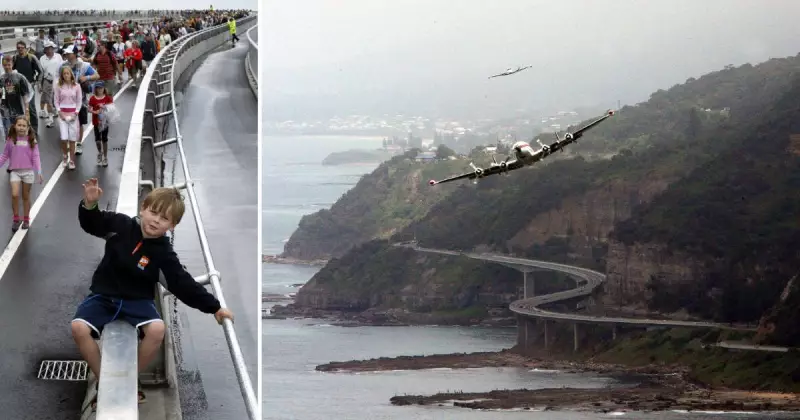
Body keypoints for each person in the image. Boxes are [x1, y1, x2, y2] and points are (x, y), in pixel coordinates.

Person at [72, 180, 235, 409]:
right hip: (104, 295)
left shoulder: (163, 254)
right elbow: (93, 224)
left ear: (173, 225)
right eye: (153, 212)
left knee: (157, 329)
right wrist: (89, 205)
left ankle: (131, 378)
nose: (156, 220)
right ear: (143, 208)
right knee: (78, 328)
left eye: (165, 218)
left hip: (137, 301)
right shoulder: (121, 225)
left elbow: (182, 283)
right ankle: (103, 379)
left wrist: (215, 308)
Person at [0, 116, 42, 231]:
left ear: (28, 127)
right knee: (14, 194)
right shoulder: (11, 139)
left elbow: (36, 156)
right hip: (15, 172)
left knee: (25, 196)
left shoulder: (31, 140)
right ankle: (16, 218)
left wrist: (39, 171)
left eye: (24, 126)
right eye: (19, 125)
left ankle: (26, 219)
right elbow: (4, 155)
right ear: (14, 126)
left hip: (28, 172)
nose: (21, 128)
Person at [54, 65, 82, 170]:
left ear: (71, 74)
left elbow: (79, 101)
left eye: (68, 73)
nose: (66, 75)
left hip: (73, 115)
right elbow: (56, 101)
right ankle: (65, 156)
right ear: (62, 75)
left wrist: (76, 113)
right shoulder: (58, 86)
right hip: (62, 115)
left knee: (72, 139)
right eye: (64, 73)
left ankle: (72, 160)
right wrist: (59, 112)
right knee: (64, 138)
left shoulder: (77, 86)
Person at [88, 82, 112, 167]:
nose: (100, 90)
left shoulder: (108, 98)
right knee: (97, 140)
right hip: (96, 122)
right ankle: (99, 152)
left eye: (101, 88)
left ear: (104, 88)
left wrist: (103, 107)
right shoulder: (92, 99)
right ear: (96, 89)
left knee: (104, 139)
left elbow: (111, 109)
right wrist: (95, 111)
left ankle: (105, 157)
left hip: (105, 122)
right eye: (98, 88)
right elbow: (89, 109)